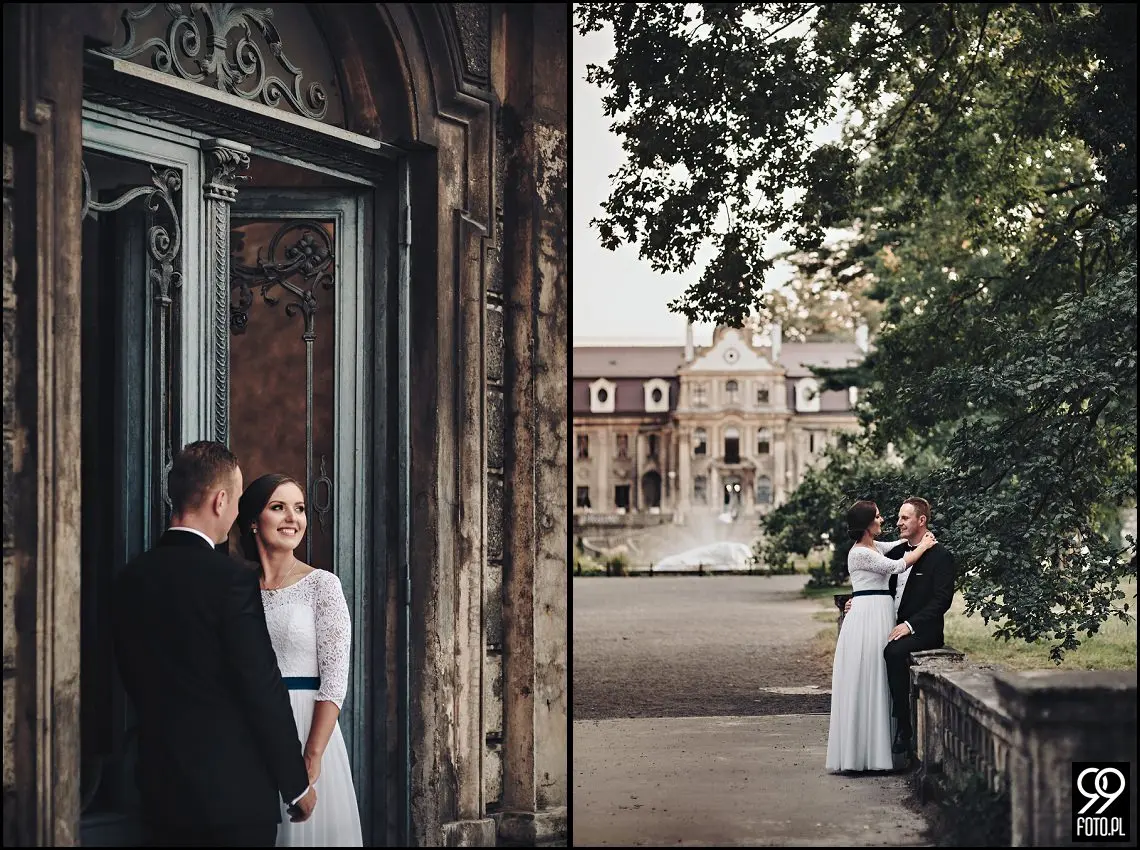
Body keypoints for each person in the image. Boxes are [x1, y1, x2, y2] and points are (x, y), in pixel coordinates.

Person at [112, 442, 316, 847]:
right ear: (220, 501)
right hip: (232, 800)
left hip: (158, 792)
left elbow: (130, 677)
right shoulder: (231, 580)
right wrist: (295, 784)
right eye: (237, 501)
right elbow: (260, 684)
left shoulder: (130, 577)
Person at [236, 473, 363, 847]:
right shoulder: (237, 589)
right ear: (253, 521)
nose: (293, 518)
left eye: (300, 508)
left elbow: (335, 680)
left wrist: (312, 755)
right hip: (250, 730)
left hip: (308, 726)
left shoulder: (322, 585)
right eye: (279, 507)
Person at [825, 500, 936, 773]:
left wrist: (921, 538)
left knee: (879, 677)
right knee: (866, 677)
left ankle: (879, 752)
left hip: (880, 614)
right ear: (866, 524)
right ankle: (859, 756)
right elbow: (898, 565)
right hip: (867, 616)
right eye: (877, 516)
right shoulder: (859, 553)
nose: (882, 520)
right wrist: (923, 547)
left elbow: (898, 546)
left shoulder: (875, 546)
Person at [881, 497, 957, 755]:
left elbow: (941, 601)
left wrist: (909, 625)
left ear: (921, 520)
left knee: (893, 652)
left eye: (905, 518)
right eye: (899, 517)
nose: (898, 522)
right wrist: (854, 602)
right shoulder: (895, 553)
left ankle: (904, 728)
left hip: (923, 631)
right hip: (890, 625)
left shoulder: (941, 556)